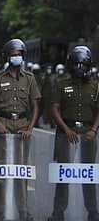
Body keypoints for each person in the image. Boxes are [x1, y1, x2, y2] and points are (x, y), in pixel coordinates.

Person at [0, 38, 41, 221]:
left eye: (19, 55)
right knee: (1, 171)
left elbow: (35, 107)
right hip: (3, 124)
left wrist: (30, 128)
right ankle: (0, 211)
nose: (16, 58)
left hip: (22, 127)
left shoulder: (30, 78)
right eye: (13, 55)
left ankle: (23, 210)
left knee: (21, 171)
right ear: (7, 57)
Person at [47, 46, 99, 221]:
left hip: (88, 135)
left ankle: (92, 210)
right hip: (65, 134)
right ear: (70, 65)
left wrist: (93, 130)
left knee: (88, 174)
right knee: (63, 174)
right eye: (76, 64)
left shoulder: (95, 86)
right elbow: (54, 109)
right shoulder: (61, 85)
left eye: (83, 64)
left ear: (89, 65)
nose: (80, 68)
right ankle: (58, 211)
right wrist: (66, 129)